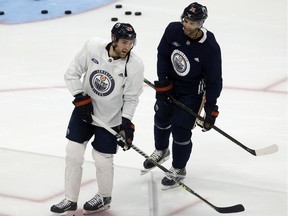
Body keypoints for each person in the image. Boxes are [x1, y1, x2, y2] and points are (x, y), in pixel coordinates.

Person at [50, 22, 144, 215]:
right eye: (124, 42)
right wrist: (80, 97)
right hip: (84, 110)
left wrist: (126, 123)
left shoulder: (135, 65)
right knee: (73, 152)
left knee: (102, 159)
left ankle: (104, 197)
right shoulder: (93, 47)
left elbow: (131, 97)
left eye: (131, 42)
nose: (128, 47)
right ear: (113, 39)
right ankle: (70, 199)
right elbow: (72, 73)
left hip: (110, 118)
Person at [143, 2, 222, 188]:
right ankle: (161, 150)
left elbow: (214, 80)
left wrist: (211, 107)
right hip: (169, 85)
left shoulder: (210, 47)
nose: (187, 25)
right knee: (161, 118)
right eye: (185, 20)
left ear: (201, 23)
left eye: (192, 23)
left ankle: (178, 168)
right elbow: (162, 54)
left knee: (180, 130)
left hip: (191, 93)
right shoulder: (172, 30)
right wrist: (162, 81)